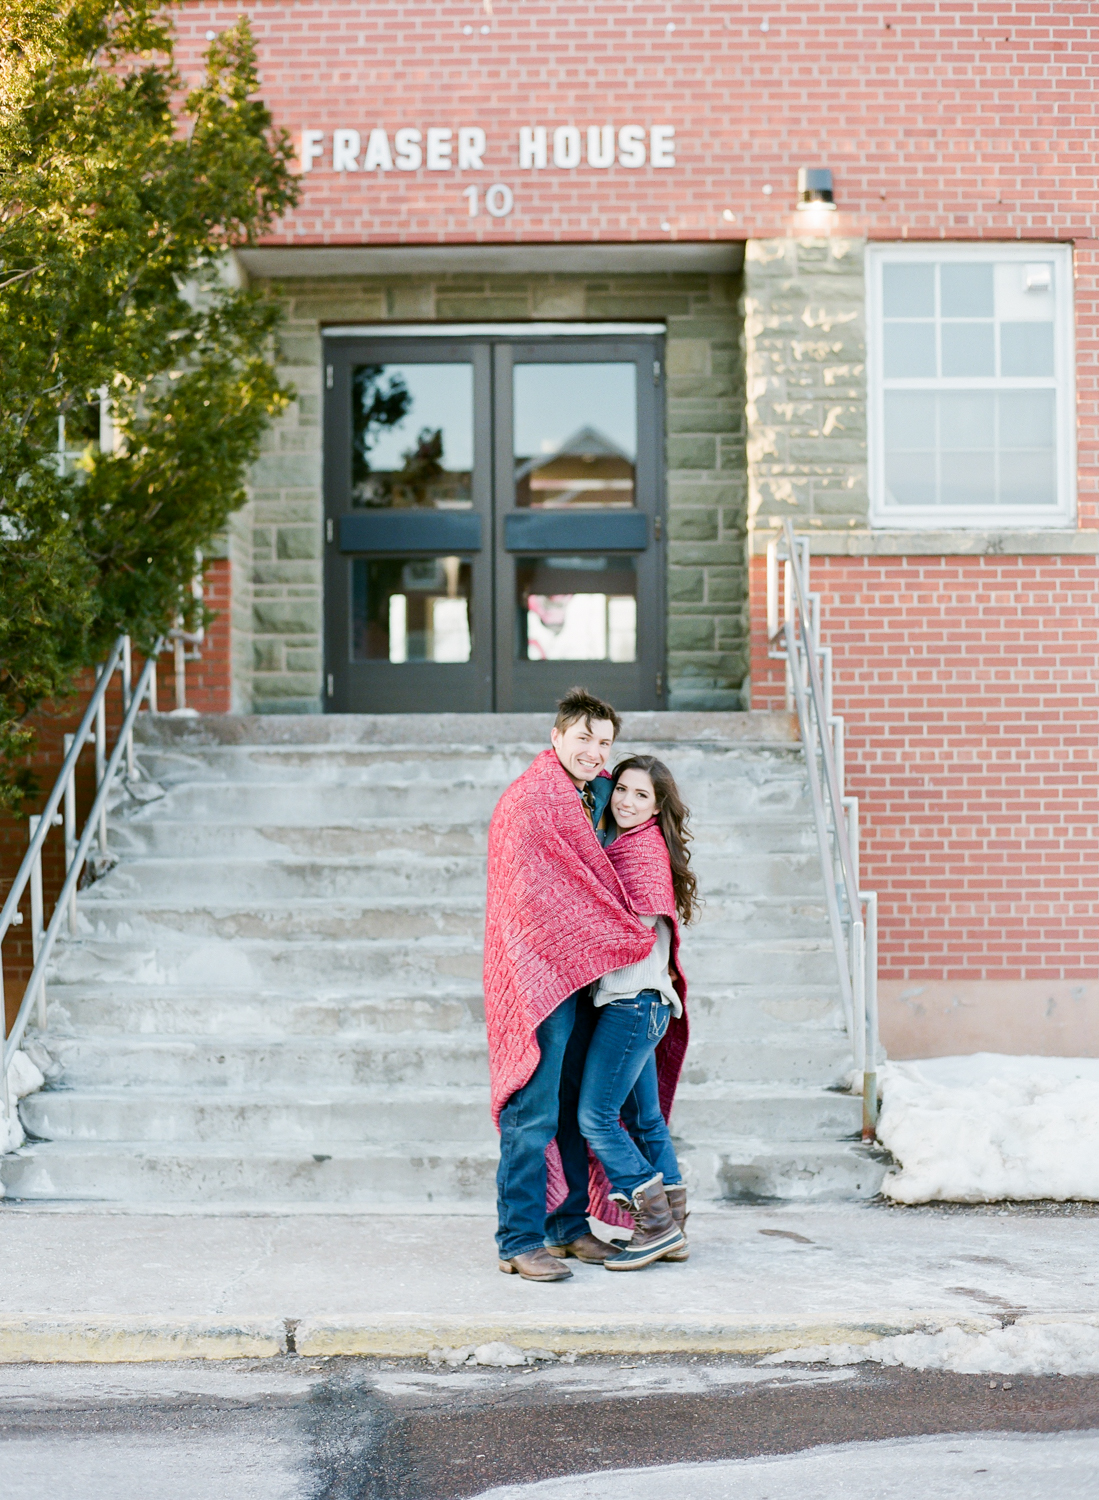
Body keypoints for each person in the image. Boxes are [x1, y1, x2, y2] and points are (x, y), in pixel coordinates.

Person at [483, 688, 655, 1282]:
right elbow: (524, 897)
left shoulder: (601, 796)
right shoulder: (528, 802)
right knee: (532, 1110)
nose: (594, 750)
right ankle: (519, 1237)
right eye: (584, 737)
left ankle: (568, 1226)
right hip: (536, 976)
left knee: (577, 1104)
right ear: (556, 737)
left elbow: (633, 845)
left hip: (588, 975)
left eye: (604, 742)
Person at [576, 755, 697, 1270]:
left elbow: (625, 935)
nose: (625, 801)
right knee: (646, 1121)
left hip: (632, 1005)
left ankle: (655, 1226)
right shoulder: (631, 845)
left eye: (641, 795)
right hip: (646, 1004)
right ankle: (673, 1230)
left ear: (657, 806)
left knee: (596, 1117)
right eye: (620, 790)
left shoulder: (640, 854)